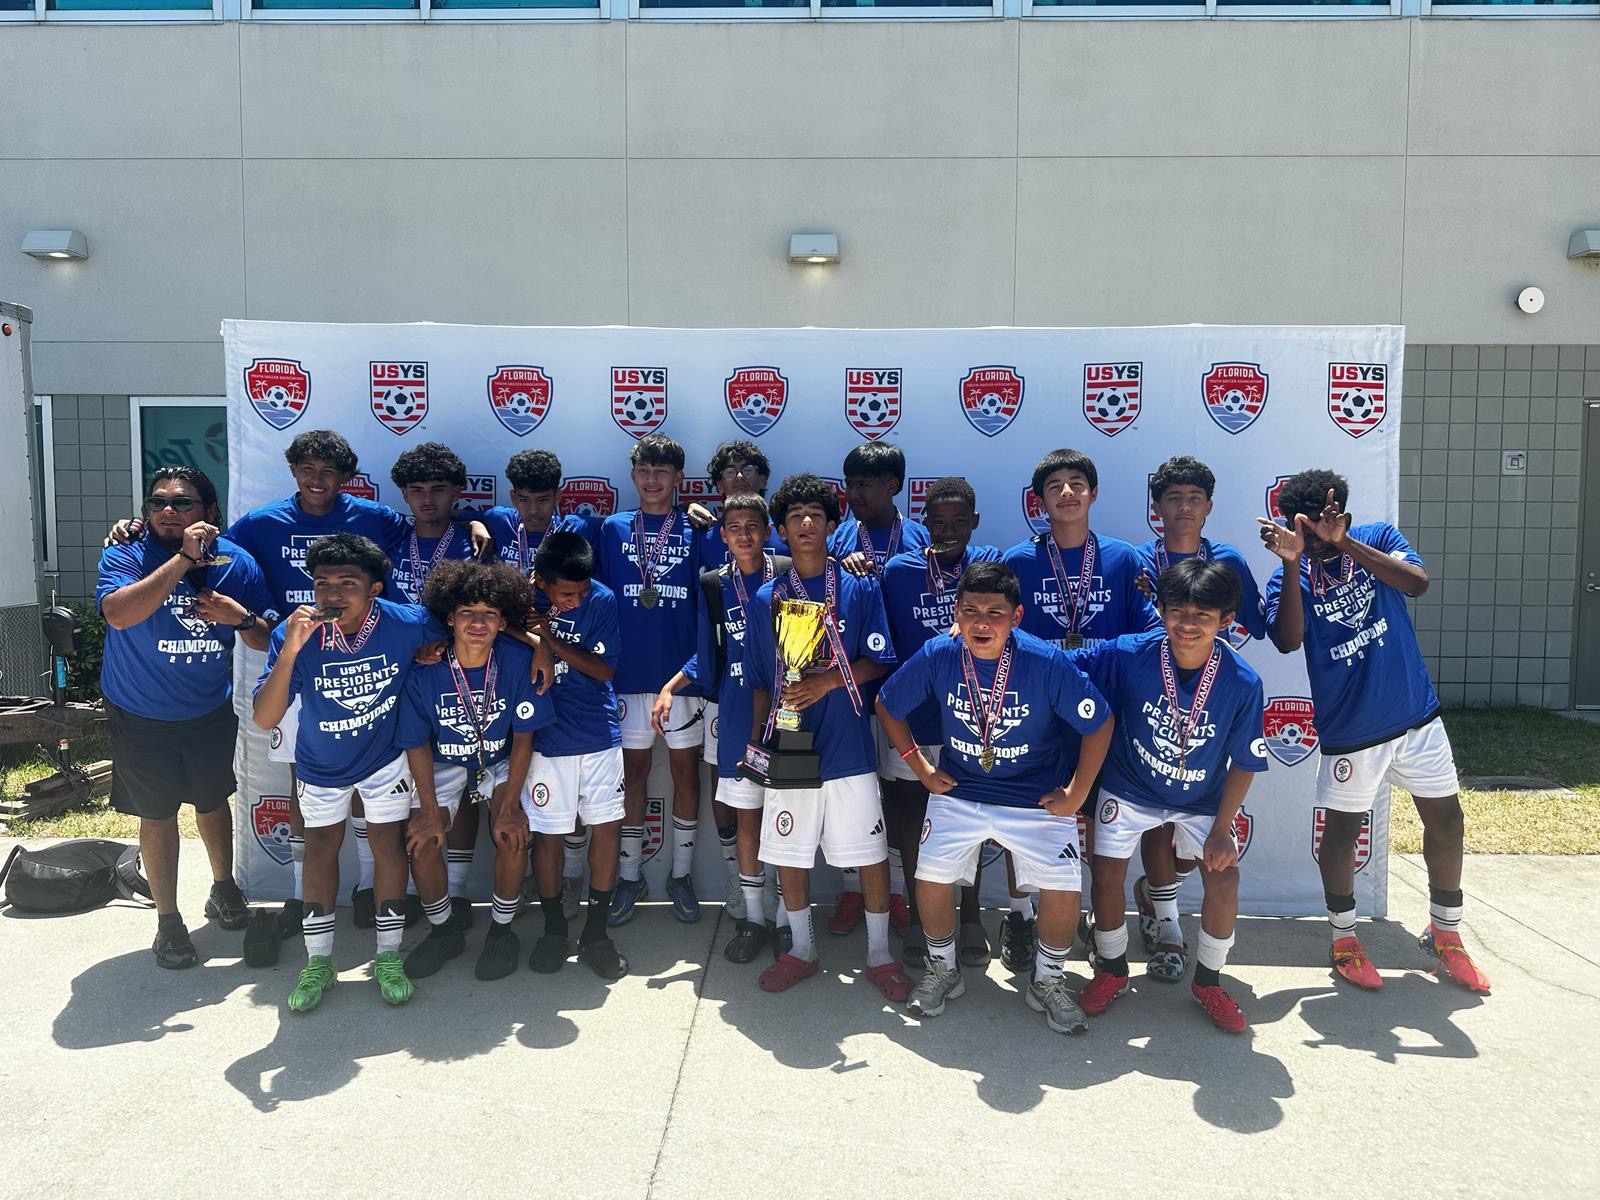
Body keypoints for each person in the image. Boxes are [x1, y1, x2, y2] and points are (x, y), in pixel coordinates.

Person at [1260, 470, 1489, 994]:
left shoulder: (1378, 538)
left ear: (1340, 512)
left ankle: (1446, 934)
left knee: (1447, 821)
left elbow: (1417, 583)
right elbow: (1288, 640)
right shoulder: (1286, 573)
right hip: (1351, 728)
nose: (1314, 534)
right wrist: (1293, 563)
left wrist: (1346, 544)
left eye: (1322, 522)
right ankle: (1344, 939)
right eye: (1302, 526)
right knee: (1343, 832)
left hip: (1414, 714)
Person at [877, 561, 1111, 1033]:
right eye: (970, 611)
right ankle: (943, 969)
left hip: (1033, 796)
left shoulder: (1046, 661)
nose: (981, 624)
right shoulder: (939, 652)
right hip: (961, 790)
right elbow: (887, 703)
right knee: (931, 875)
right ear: (956, 613)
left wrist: (1077, 793)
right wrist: (921, 767)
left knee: (1064, 886)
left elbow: (1100, 722)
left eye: (995, 613)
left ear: (1016, 616)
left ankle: (1047, 981)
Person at [1071, 559, 1270, 1032]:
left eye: (1203, 615)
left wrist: (1221, 829)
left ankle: (1208, 982)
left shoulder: (1243, 681)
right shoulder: (1129, 653)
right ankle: (1113, 970)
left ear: (1226, 620)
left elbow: (1245, 761)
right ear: (1160, 610)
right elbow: (1058, 663)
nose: (1187, 624)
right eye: (1177, 611)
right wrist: (1002, 640)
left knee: (1224, 879)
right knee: (1106, 873)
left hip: (1201, 799)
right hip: (1129, 785)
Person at [251, 533, 443, 1013]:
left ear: (375, 588)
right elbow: (265, 718)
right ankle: (319, 962)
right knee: (320, 849)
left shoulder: (408, 621)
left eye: (347, 583)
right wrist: (291, 650)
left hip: (384, 759)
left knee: (387, 846)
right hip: (321, 764)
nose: (332, 594)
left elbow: (457, 634)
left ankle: (388, 956)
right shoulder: (294, 632)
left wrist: (431, 652)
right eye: (322, 583)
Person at [97, 467, 273, 968]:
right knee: (157, 814)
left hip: (207, 707)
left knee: (213, 800)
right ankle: (168, 922)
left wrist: (239, 617)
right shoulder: (125, 552)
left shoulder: (237, 561)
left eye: (182, 502)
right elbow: (119, 614)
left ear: (210, 512)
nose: (168, 511)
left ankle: (224, 888)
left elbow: (267, 637)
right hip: (140, 710)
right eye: (157, 503)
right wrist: (183, 560)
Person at [744, 473, 910, 1001]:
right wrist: (758, 742)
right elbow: (760, 680)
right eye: (796, 517)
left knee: (870, 851)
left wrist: (827, 682)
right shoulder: (767, 596)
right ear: (781, 530)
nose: (806, 523)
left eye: (816, 515)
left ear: (832, 525)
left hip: (848, 743)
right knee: (789, 851)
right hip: (790, 740)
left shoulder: (859, 586)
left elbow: (879, 659)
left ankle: (879, 954)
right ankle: (801, 949)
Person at [1000, 448, 1159, 971]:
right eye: (1054, 486)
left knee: (1098, 821)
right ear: (1039, 501)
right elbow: (998, 629)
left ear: (1093, 493)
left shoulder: (1124, 559)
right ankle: (1020, 915)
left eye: (1076, 483)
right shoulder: (1019, 560)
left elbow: (1148, 632)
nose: (1066, 493)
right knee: (1028, 815)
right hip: (1039, 711)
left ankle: (1095, 915)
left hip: (1105, 712)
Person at [1129, 455, 1267, 980]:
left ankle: (1156, 890)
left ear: (1208, 506)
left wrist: (1293, 563)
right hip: (1152, 697)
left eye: (1194, 499)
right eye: (1173, 498)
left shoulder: (1227, 559)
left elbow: (1264, 626)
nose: (1184, 507)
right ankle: (1167, 929)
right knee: (1156, 817)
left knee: (1194, 839)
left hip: (1211, 700)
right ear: (1157, 507)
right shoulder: (1138, 560)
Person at [395, 560, 551, 981]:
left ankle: (501, 932)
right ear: (450, 617)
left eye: (489, 614)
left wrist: (510, 806)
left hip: (499, 758)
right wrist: (429, 810)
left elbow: (524, 737)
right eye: (467, 613)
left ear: (503, 622)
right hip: (444, 760)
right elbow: (415, 743)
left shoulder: (517, 660)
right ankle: (444, 931)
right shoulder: (425, 667)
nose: (478, 623)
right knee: (422, 838)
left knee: (512, 834)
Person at [655, 494, 789, 961]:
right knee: (748, 817)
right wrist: (671, 685)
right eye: (735, 527)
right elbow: (707, 657)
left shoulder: (789, 572)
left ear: (768, 531)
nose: (744, 534)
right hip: (735, 716)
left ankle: (788, 919)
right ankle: (754, 918)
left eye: (753, 526)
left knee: (787, 819)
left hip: (789, 713)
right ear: (723, 535)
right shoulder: (713, 584)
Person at [877, 476, 1000, 966]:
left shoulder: (989, 567)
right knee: (910, 822)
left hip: (972, 719)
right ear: (923, 522)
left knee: (968, 820)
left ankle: (970, 916)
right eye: (938, 521)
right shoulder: (899, 571)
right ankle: (917, 916)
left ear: (976, 522)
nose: (948, 530)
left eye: (959, 521)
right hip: (912, 718)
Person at [596, 433, 705, 925]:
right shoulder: (612, 528)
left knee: (685, 774)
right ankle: (628, 875)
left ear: (679, 477)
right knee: (633, 775)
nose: (653, 479)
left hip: (681, 677)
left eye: (663, 471)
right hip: (626, 675)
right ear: (633, 475)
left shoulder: (697, 528)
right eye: (644, 471)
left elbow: (712, 603)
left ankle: (681, 874)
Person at [826, 441, 931, 937]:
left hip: (904, 693)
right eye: (849, 484)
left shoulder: (921, 537)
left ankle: (896, 892)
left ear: (894, 486)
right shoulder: (838, 537)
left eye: (865, 485)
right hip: (850, 688)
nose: (854, 495)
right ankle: (853, 889)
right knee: (851, 794)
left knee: (898, 798)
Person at [519, 530, 631, 981]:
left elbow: (604, 669)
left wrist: (549, 640)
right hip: (544, 735)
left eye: (581, 591)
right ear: (541, 582)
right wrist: (535, 641)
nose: (576, 599)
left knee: (606, 829)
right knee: (547, 836)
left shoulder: (601, 598)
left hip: (598, 732)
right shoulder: (519, 596)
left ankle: (596, 934)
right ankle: (553, 930)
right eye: (566, 593)